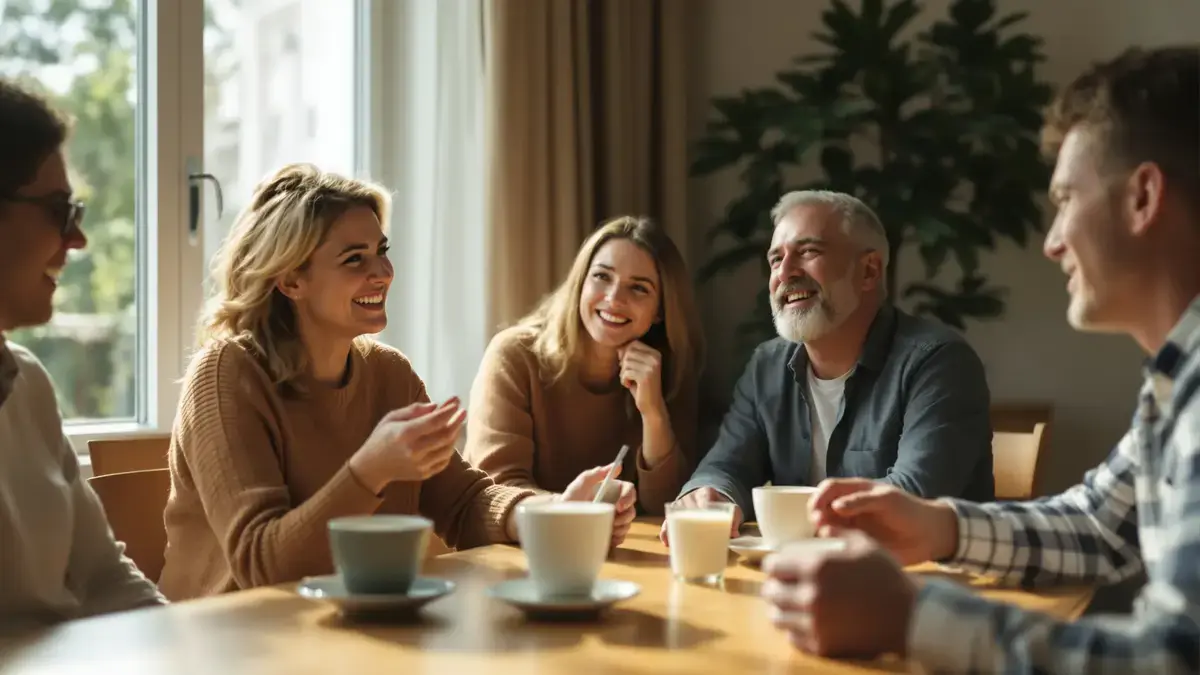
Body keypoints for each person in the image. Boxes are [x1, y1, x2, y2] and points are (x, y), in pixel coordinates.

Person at [761, 45, 1200, 672]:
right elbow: (1100, 526)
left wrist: (911, 618)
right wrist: (941, 528)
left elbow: (1173, 661)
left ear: (1143, 197)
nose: (1052, 242)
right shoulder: (1177, 380)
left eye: (1066, 199)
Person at [157, 163, 633, 600]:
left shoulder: (389, 374)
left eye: (381, 252)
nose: (383, 272)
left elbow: (464, 503)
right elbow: (263, 565)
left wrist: (552, 514)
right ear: (291, 281)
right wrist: (370, 469)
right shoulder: (227, 373)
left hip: (350, 634)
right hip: (232, 643)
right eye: (354, 259)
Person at [664, 191, 993, 540]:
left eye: (808, 252)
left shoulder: (937, 361)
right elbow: (728, 464)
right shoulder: (767, 365)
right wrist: (711, 494)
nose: (785, 273)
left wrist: (794, 516)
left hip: (927, 584)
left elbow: (915, 495)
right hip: (809, 575)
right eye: (776, 260)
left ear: (869, 271)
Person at [0, 78, 165, 630]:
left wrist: (186, 651)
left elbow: (103, 576)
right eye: (58, 210)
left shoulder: (25, 380)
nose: (79, 240)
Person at [465, 216, 705, 516]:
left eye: (639, 288)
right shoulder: (514, 356)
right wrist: (577, 513)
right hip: (519, 553)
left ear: (660, 310)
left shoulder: (667, 372)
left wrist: (653, 412)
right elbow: (496, 491)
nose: (614, 298)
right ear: (580, 283)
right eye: (602, 277)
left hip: (619, 553)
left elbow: (668, 508)